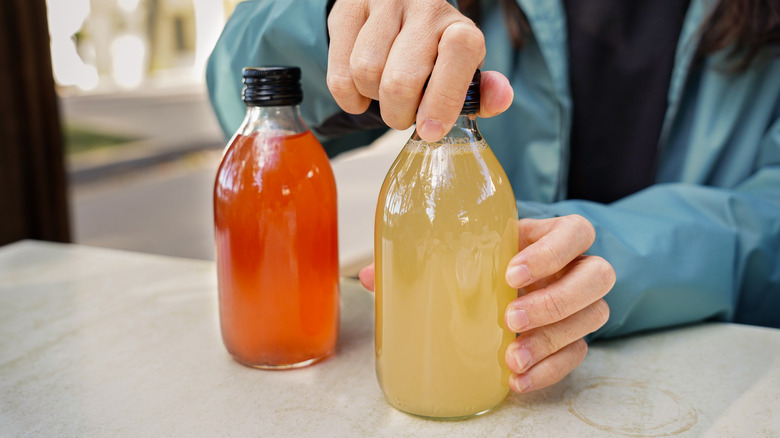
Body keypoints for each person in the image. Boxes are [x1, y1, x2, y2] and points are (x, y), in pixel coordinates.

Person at [206, 0, 780, 394]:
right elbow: (242, 85)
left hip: (725, 372)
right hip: (478, 356)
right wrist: (339, 19)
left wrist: (605, 256)